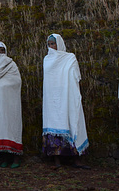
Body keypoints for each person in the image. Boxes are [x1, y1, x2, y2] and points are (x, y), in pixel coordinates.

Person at [42, 34, 89, 169]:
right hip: (52, 98)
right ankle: (57, 160)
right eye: (49, 44)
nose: (51, 47)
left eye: (53, 43)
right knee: (54, 123)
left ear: (60, 44)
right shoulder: (47, 59)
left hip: (68, 94)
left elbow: (76, 75)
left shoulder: (69, 58)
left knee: (72, 121)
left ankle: (77, 159)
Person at [0, 41, 22, 168]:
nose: (1, 54)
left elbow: (17, 80)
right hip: (0, 103)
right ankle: (5, 158)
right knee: (1, 128)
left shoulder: (11, 64)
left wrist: (4, 85)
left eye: (3, 50)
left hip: (12, 102)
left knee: (13, 127)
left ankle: (16, 159)